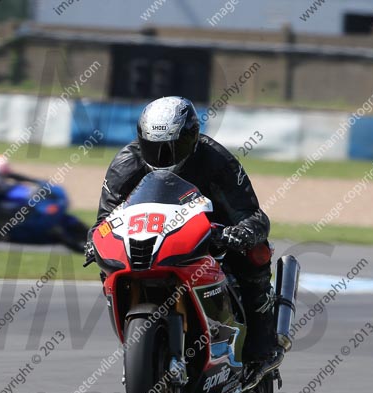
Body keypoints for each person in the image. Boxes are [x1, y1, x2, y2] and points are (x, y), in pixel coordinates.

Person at [85, 96, 281, 368]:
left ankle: (262, 343)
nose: (163, 156)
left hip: (210, 235)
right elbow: (105, 220)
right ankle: (144, 348)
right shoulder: (126, 163)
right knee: (108, 265)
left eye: (172, 147)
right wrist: (94, 242)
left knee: (255, 253)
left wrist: (239, 234)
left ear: (192, 138)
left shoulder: (216, 159)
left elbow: (253, 215)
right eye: (154, 148)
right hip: (152, 238)